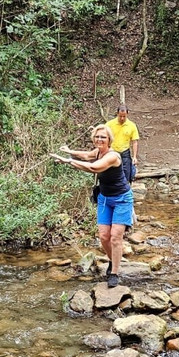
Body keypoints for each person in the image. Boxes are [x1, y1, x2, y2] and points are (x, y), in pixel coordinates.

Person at [52, 125, 133, 288]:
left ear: (109, 140)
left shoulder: (112, 156)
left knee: (115, 237)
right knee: (103, 236)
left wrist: (68, 161)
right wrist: (70, 151)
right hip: (104, 199)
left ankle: (114, 273)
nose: (99, 139)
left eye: (103, 137)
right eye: (97, 137)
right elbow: (87, 155)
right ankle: (113, 260)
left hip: (122, 199)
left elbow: (93, 167)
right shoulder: (97, 152)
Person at [106, 105, 140, 185]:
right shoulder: (109, 124)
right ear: (117, 114)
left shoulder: (132, 125)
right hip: (112, 152)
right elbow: (103, 136)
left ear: (127, 114)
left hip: (125, 152)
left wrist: (134, 157)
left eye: (124, 116)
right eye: (120, 116)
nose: (122, 118)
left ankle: (125, 188)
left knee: (126, 174)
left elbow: (134, 141)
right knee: (111, 173)